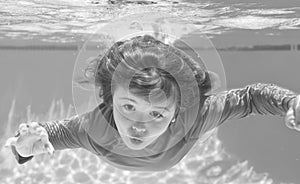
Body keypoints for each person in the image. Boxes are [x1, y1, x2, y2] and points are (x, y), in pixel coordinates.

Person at [4, 35, 300, 171]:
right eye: (128, 107)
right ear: (109, 100)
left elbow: (250, 98)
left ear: (176, 113)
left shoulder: (193, 117)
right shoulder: (95, 126)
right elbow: (44, 137)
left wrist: (290, 101)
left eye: (157, 113)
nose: (138, 126)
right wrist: (22, 148)